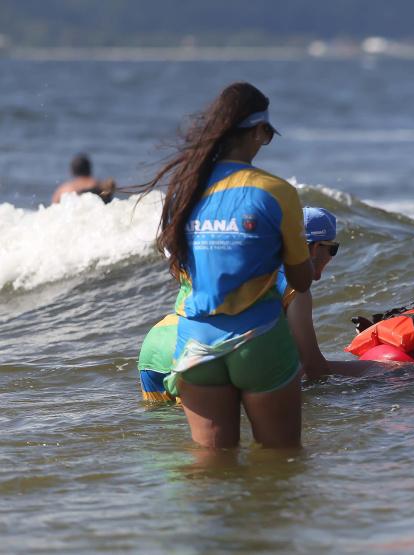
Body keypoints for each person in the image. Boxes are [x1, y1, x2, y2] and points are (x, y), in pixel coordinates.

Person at [141, 81, 313, 449]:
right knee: (280, 461)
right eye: (267, 135)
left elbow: (182, 269)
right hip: (258, 338)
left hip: (195, 342)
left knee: (212, 470)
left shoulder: (183, 189)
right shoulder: (275, 190)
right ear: (258, 132)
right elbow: (301, 278)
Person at [137, 206, 339, 401]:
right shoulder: (295, 285)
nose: (331, 257)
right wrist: (367, 376)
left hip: (157, 344)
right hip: (203, 353)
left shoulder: (234, 262)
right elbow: (313, 367)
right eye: (332, 249)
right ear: (314, 247)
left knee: (164, 429)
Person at [52, 153, 117, 204]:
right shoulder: (101, 185)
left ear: (72, 171)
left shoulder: (64, 189)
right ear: (89, 169)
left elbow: (53, 209)